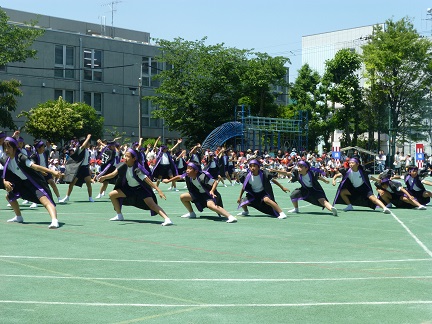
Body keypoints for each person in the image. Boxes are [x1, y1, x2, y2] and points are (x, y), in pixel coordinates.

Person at [98, 148, 173, 226]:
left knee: (152, 205)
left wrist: (158, 190)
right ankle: (119, 215)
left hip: (140, 189)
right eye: (125, 156)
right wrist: (104, 177)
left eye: (127, 156)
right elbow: (113, 174)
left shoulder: (137, 168)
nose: (125, 158)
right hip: (129, 189)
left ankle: (167, 219)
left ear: (134, 159)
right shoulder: (123, 165)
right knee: (112, 195)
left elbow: (146, 179)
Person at [2, 137, 61, 229]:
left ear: (14, 148)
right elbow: (4, 174)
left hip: (33, 182)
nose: (6, 150)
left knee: (45, 200)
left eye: (9, 147)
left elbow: (35, 167)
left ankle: (54, 221)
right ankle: (19, 217)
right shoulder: (5, 160)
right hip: (22, 184)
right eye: (5, 148)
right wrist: (5, 182)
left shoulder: (21, 157)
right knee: (9, 196)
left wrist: (52, 172)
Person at [163, 161, 237, 223]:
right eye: (187, 168)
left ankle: (230, 216)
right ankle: (191, 213)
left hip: (208, 195)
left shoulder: (202, 177)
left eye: (190, 169)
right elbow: (179, 177)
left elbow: (215, 182)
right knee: (183, 197)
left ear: (196, 171)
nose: (187, 170)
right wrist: (168, 181)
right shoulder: (188, 175)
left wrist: (212, 191)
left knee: (211, 205)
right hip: (199, 195)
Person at [60, 134, 94, 203]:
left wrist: (89, 169)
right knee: (72, 183)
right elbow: (83, 145)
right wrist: (88, 137)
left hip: (85, 168)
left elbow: (86, 161)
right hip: (79, 169)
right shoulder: (80, 149)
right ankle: (67, 197)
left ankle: (90, 197)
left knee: (88, 183)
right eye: (88, 142)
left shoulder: (88, 151)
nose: (89, 144)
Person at [31, 140, 62, 205]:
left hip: (47, 171)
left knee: (52, 183)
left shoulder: (46, 152)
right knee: (38, 188)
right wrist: (41, 172)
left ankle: (59, 198)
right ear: (38, 148)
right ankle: (35, 202)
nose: (44, 148)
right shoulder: (34, 156)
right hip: (38, 173)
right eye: (42, 147)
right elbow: (34, 167)